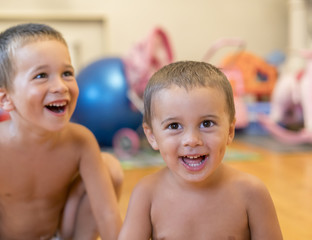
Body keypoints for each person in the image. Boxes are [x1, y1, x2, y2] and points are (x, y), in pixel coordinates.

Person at [0, 23, 124, 240]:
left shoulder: (81, 141)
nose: (60, 86)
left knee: (110, 167)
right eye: (41, 76)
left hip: (58, 234)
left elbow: (106, 213)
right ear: (5, 98)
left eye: (67, 73)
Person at [118, 61, 283, 240]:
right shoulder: (146, 193)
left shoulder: (251, 193)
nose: (191, 140)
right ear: (151, 136)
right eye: (174, 125)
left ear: (230, 130)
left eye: (206, 123)